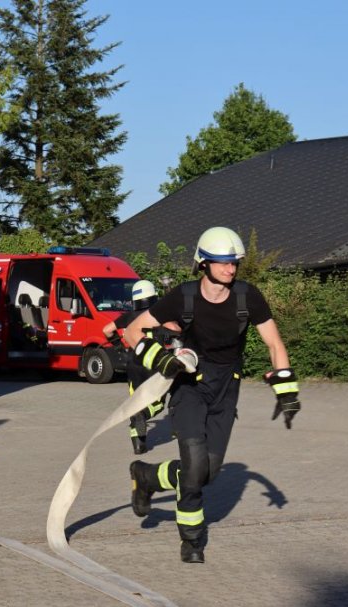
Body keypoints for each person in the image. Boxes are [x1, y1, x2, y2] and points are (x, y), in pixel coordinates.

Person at [123, 226, 301, 564]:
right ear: (203, 263)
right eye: (223, 263)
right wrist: (160, 358)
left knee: (208, 473)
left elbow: (274, 343)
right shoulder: (183, 296)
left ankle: (146, 476)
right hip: (189, 386)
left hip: (226, 388)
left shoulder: (248, 297)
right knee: (192, 472)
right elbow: (133, 331)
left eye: (234, 263)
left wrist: (286, 389)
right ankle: (192, 540)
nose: (231, 269)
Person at [103, 280, 167, 455]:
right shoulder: (159, 315)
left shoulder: (128, 316)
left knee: (135, 404)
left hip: (133, 364)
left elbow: (106, 330)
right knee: (159, 403)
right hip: (153, 363)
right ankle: (145, 414)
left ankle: (139, 445)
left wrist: (119, 347)